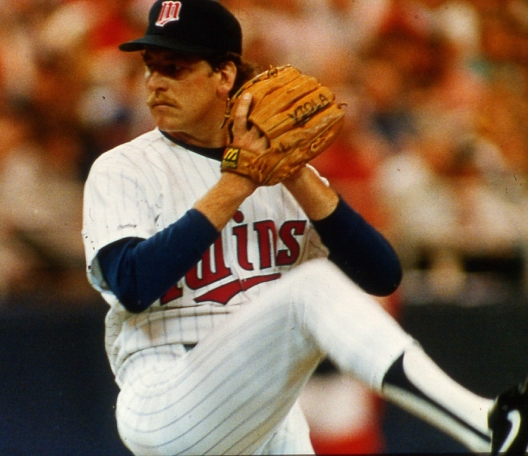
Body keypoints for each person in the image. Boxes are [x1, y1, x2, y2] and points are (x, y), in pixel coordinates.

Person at [82, 0, 528, 454]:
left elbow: (381, 276)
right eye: (150, 67)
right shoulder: (123, 168)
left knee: (314, 292)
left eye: (174, 68)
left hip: (265, 413)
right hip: (168, 397)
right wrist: (237, 183)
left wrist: (296, 172)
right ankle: (484, 425)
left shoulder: (283, 177)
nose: (155, 82)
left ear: (224, 76)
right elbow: (133, 285)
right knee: (311, 286)